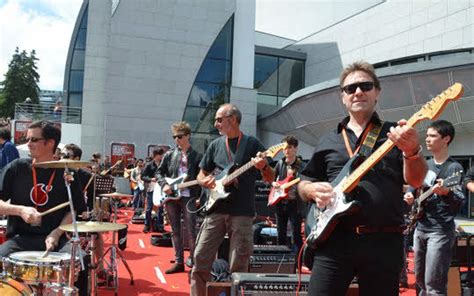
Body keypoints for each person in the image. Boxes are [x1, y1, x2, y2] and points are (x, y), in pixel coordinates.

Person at [297, 61, 427, 295]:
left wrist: (412, 151)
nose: (358, 92)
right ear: (343, 97)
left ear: (377, 92)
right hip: (333, 241)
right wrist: (310, 190)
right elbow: (304, 181)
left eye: (365, 86)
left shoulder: (395, 134)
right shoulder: (328, 140)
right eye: (350, 88)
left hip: (383, 242)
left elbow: (416, 181)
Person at [191, 103, 274, 296]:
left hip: (242, 212)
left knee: (239, 263)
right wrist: (206, 182)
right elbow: (200, 175)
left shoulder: (252, 144)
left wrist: (263, 166)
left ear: (233, 119)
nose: (215, 123)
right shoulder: (215, 145)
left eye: (219, 119)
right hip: (216, 209)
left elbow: (270, 177)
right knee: (200, 257)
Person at [0, 120, 88, 295]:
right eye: (28, 138)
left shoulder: (67, 172)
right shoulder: (17, 168)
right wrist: (20, 210)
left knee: (82, 262)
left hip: (56, 239)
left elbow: (74, 209)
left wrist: (56, 233)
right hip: (20, 238)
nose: (28, 144)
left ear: (50, 143)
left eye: (33, 140)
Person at [406, 120, 464, 295]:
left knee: (434, 284)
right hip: (420, 227)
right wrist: (410, 194)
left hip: (440, 230)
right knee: (420, 281)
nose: (427, 139)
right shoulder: (426, 164)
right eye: (427, 135)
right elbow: (415, 185)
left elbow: (460, 199)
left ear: (446, 139)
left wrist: (447, 191)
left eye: (433, 136)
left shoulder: (454, 168)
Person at [156, 121, 202, 274]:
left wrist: (200, 196)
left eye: (180, 136)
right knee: (175, 230)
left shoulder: (196, 156)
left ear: (188, 136)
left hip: (189, 196)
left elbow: (202, 177)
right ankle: (178, 262)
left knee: (191, 229)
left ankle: (194, 262)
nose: (176, 139)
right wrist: (164, 185)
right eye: (174, 137)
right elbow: (159, 173)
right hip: (171, 197)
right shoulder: (169, 154)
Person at [269, 135, 305, 261]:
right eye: (284, 148)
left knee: (296, 236)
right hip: (280, 202)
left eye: (289, 147)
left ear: (295, 148)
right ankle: (281, 262)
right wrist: (274, 184)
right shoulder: (280, 163)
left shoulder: (301, 166)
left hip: (294, 203)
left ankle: (300, 263)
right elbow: (272, 180)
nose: (286, 150)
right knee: (281, 234)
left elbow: (306, 182)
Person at [141, 148, 165, 233]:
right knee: (149, 208)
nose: (162, 156)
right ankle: (147, 225)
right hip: (151, 188)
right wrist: (151, 179)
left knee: (161, 208)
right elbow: (142, 176)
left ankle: (160, 225)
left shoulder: (163, 164)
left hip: (161, 188)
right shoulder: (148, 165)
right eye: (160, 154)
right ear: (156, 155)